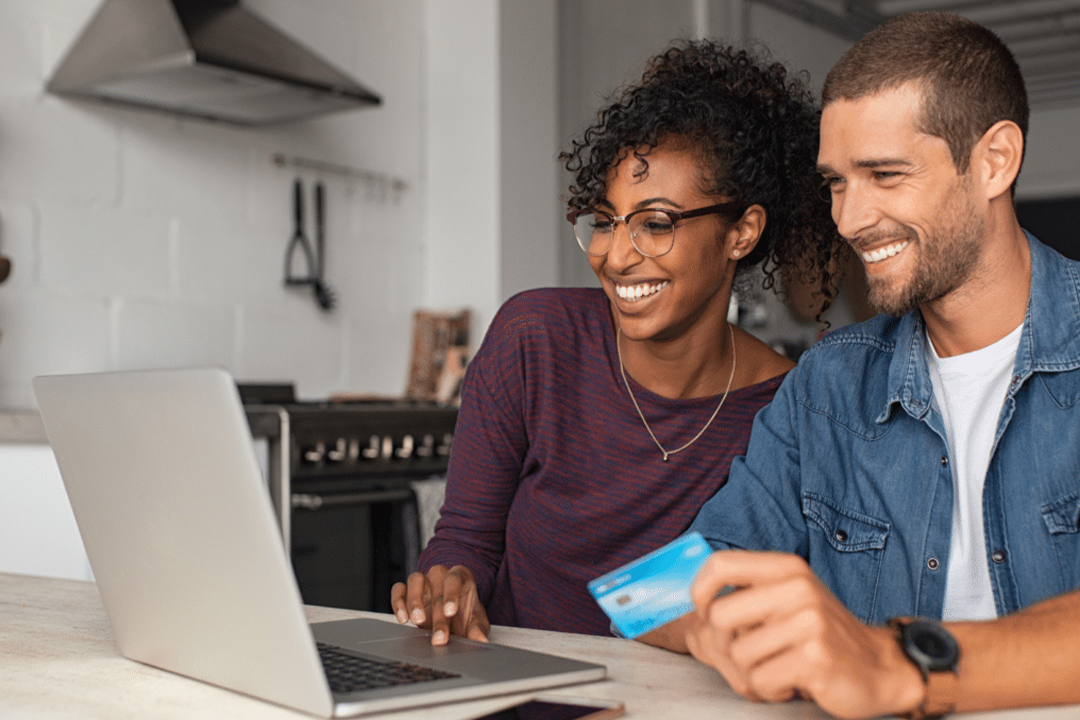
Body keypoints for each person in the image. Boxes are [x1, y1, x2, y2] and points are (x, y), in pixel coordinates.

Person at [642, 11, 1080, 719]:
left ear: (995, 161)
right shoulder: (827, 385)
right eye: (837, 182)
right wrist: (726, 626)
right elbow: (651, 594)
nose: (847, 219)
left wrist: (892, 660)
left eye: (884, 174)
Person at [390, 39, 840, 643]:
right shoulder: (535, 340)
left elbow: (697, 601)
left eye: (656, 224)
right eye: (605, 221)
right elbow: (465, 541)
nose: (616, 255)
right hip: (506, 697)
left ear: (742, 232)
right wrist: (447, 588)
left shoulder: (786, 411)